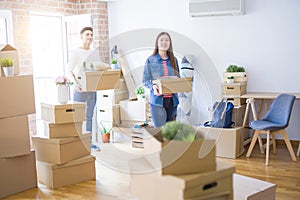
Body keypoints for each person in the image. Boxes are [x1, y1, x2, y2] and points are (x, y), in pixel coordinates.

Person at [68, 26, 106, 150]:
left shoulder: (94, 52)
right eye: (87, 35)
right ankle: (77, 143)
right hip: (79, 90)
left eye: (91, 35)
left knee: (89, 116)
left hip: (91, 90)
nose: (90, 37)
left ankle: (89, 142)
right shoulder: (75, 52)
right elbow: (69, 71)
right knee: (78, 117)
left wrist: (107, 68)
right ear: (81, 37)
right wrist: (76, 84)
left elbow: (97, 68)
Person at [143, 32, 180, 127]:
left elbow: (178, 78)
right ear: (157, 43)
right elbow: (145, 80)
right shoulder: (151, 60)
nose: (164, 42)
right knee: (160, 133)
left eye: (167, 40)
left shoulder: (173, 60)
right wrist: (153, 86)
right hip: (158, 102)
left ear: (170, 43)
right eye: (162, 40)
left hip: (172, 101)